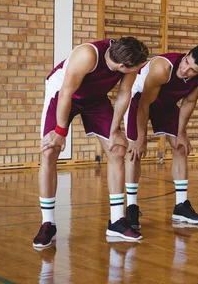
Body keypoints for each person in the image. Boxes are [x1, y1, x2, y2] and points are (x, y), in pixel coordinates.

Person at [34, 37, 149, 249]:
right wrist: (60, 132)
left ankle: (116, 221)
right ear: (123, 67)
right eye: (134, 68)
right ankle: (47, 223)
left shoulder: (130, 60)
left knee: (117, 149)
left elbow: (124, 94)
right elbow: (66, 93)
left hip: (95, 99)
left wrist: (114, 130)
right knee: (50, 151)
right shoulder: (87, 55)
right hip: (62, 94)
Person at [124, 45, 198, 228]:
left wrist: (181, 132)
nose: (185, 70)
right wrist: (141, 138)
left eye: (192, 70)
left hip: (165, 103)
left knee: (180, 146)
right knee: (135, 151)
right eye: (186, 62)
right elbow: (144, 105)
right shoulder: (162, 67)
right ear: (186, 54)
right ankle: (131, 208)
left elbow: (189, 101)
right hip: (138, 100)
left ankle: (181, 206)